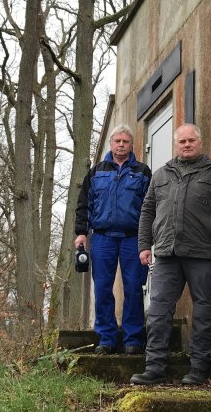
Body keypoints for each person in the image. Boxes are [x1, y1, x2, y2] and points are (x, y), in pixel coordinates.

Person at [130, 124, 211, 385]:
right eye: (182, 141)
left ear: (200, 143)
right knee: (157, 310)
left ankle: (199, 368)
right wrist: (145, 245)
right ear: (175, 144)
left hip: (203, 253)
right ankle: (155, 367)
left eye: (191, 140)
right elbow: (147, 211)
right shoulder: (160, 175)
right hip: (167, 253)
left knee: (203, 309)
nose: (187, 144)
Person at [74, 125, 152, 354]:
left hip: (133, 239)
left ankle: (133, 339)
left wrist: (148, 239)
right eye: (117, 141)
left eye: (125, 141)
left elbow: (151, 206)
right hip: (102, 239)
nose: (121, 145)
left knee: (134, 288)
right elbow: (83, 205)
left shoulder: (142, 172)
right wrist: (81, 232)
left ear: (131, 145)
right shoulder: (96, 172)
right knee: (103, 289)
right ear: (111, 144)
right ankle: (106, 338)